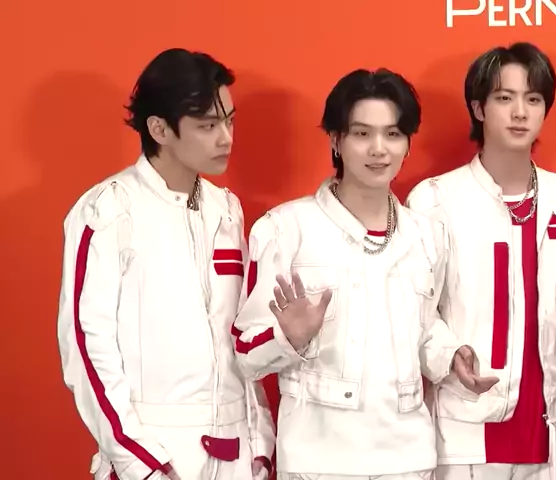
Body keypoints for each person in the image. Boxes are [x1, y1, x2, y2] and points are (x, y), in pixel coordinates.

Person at [231, 68, 494, 480]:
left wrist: (450, 356)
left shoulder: (427, 236)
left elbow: (424, 329)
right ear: (336, 140)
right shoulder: (286, 229)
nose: (378, 149)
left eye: (393, 134)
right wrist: (289, 336)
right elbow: (246, 353)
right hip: (319, 463)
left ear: (408, 143)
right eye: (361, 134)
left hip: (409, 460)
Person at [56, 48, 275, 480]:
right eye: (208, 126)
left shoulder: (226, 210)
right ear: (159, 128)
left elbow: (239, 334)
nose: (226, 138)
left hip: (238, 453)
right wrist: (140, 462)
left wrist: (260, 443)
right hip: (156, 451)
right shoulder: (107, 210)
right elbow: (85, 346)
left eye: (229, 121)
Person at [406, 42, 556, 480]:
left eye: (533, 99)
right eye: (505, 98)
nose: (520, 112)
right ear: (479, 107)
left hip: (552, 431)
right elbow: (413, 312)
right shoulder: (435, 201)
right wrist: (449, 356)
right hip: (465, 430)